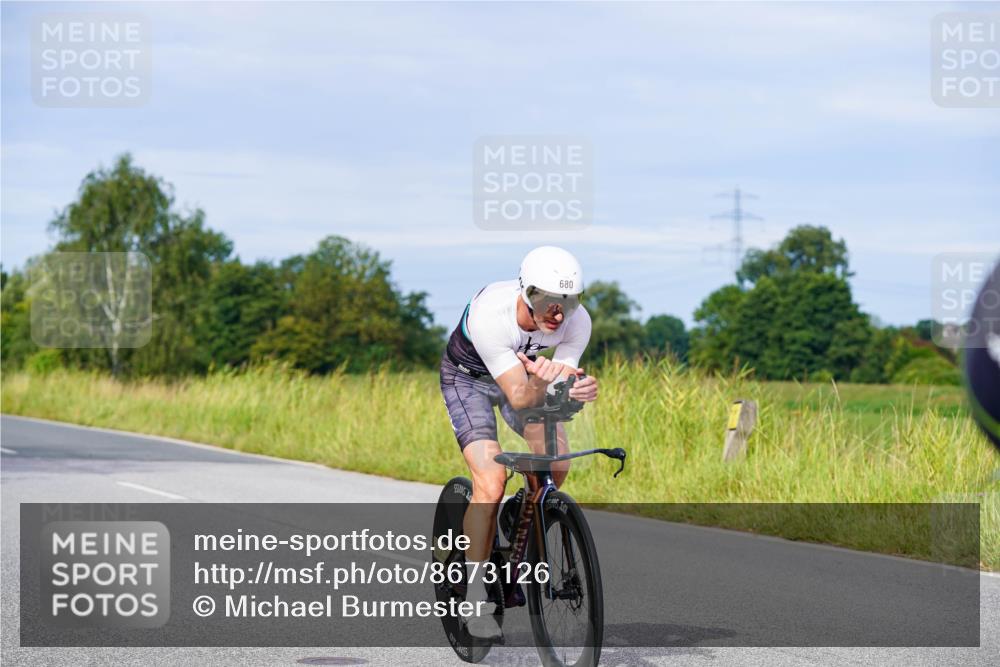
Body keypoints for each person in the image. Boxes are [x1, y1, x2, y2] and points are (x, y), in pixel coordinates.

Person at [439, 246, 598, 639]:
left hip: (524, 381)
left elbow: (557, 385)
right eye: (547, 302)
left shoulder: (578, 322)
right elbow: (523, 397)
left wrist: (575, 389)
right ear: (527, 293)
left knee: (556, 465)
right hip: (469, 381)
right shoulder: (492, 317)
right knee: (490, 483)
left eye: (569, 302)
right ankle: (477, 597)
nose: (557, 314)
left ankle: (519, 511)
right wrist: (545, 381)